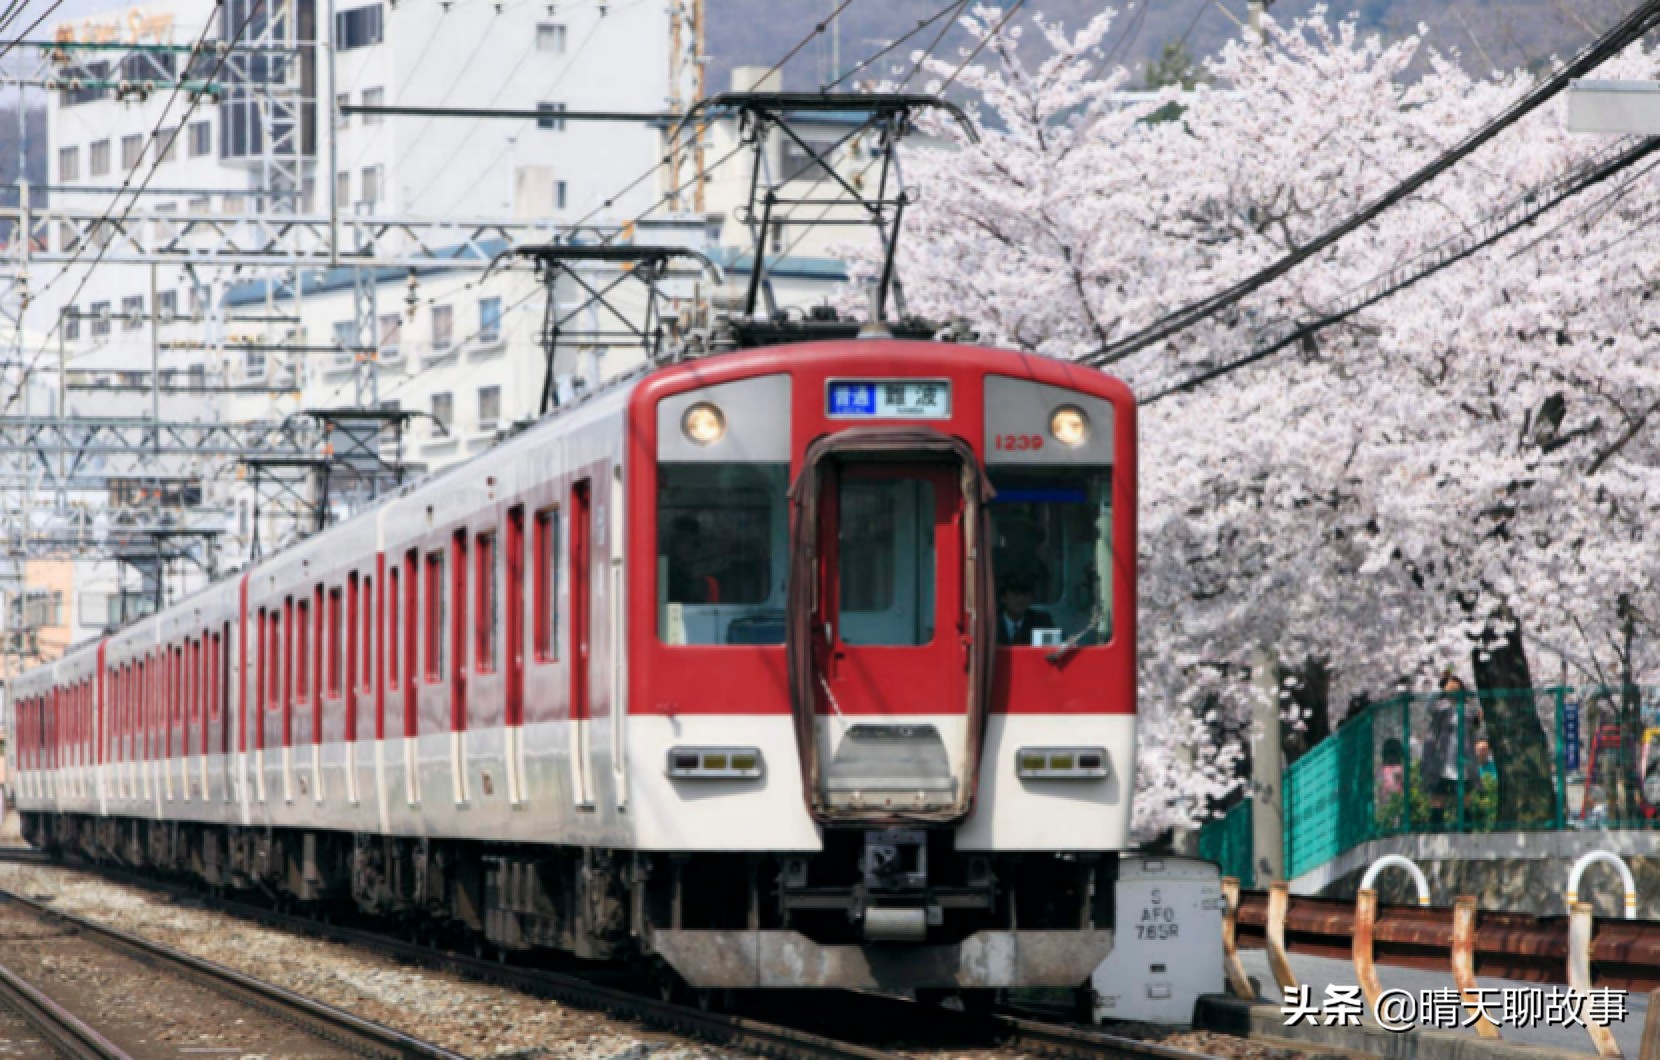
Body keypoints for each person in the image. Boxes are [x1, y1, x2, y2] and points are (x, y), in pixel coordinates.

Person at [1421, 674, 1482, 828]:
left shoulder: (1468, 710)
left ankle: (1466, 829)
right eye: (1450, 688)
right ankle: (1436, 829)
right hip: (1442, 761)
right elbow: (1428, 706)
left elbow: (1476, 724)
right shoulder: (1441, 708)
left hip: (1463, 760)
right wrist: (1440, 685)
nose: (1453, 690)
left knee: (1464, 797)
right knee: (1438, 797)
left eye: (1456, 687)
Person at [664, 515, 720, 605]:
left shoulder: (705, 582)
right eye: (685, 541)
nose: (690, 548)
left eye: (695, 543)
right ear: (673, 543)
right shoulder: (663, 577)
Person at [997, 571, 1056, 646]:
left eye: (1025, 594)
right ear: (1003, 597)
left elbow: (1050, 649)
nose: (1021, 599)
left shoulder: (1042, 622)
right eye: (1016, 594)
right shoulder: (991, 622)